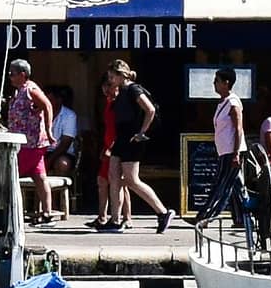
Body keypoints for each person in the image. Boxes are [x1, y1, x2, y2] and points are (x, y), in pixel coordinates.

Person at [101, 60, 177, 231]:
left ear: (121, 75)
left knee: (132, 179)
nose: (111, 80)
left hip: (132, 137)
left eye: (113, 76)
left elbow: (150, 109)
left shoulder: (133, 89)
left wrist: (142, 132)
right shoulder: (120, 92)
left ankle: (162, 212)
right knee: (113, 177)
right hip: (121, 138)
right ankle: (114, 220)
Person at [0, 57, 56, 223]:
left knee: (12, 175)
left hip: (30, 143)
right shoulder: (19, 91)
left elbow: (47, 105)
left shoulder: (30, 89)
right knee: (39, 177)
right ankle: (47, 212)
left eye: (12, 74)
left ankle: (12, 210)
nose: (10, 77)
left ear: (23, 74)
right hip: (25, 141)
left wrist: (48, 129)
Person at [209, 66, 253, 225]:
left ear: (226, 83)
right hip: (224, 150)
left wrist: (236, 154)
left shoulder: (233, 103)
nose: (214, 84)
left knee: (222, 185)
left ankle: (206, 216)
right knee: (237, 188)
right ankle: (242, 217)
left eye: (217, 81)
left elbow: (238, 129)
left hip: (232, 151)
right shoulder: (223, 102)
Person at [49, 87, 83, 224]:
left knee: (62, 164)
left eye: (50, 99)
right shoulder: (40, 113)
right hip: (44, 149)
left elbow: (65, 143)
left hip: (63, 151)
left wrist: (49, 160)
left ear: (58, 100)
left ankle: (56, 203)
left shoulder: (69, 115)